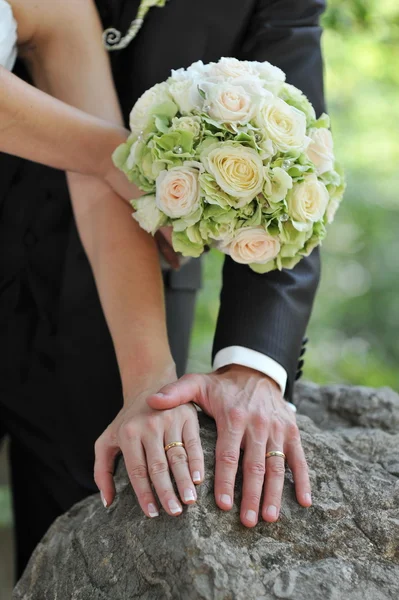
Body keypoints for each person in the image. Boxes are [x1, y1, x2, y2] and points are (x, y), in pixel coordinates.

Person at [0, 0, 324, 578]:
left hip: (129, 279)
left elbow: (293, 179)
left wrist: (178, 380)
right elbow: (108, 156)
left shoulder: (65, 17)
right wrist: (114, 157)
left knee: (93, 542)